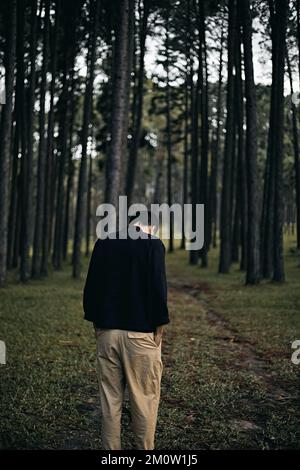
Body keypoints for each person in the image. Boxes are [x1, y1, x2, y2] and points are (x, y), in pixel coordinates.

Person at [83, 210, 170, 450]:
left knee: (110, 401)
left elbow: (91, 289)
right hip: (141, 336)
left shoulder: (104, 243)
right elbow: (158, 288)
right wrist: (159, 328)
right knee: (144, 400)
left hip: (107, 333)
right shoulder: (152, 245)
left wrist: (98, 325)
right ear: (147, 226)